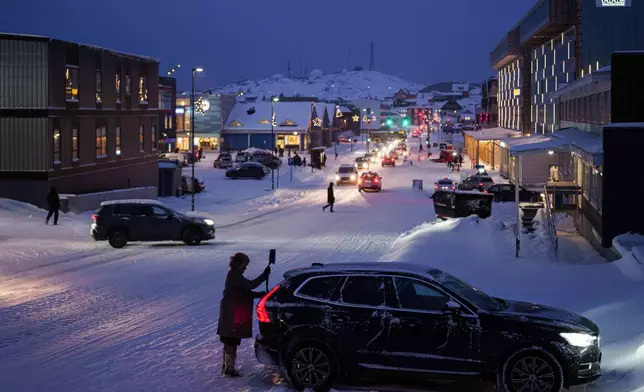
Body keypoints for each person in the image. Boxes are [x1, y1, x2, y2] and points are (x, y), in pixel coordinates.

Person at [217, 253, 271, 377]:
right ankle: (228, 370)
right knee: (231, 340)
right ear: (237, 264)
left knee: (230, 339)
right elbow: (249, 286)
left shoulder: (236, 276)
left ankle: (226, 368)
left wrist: (261, 294)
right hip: (230, 313)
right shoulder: (234, 275)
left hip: (231, 313)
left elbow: (245, 292)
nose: (245, 268)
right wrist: (264, 276)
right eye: (244, 265)